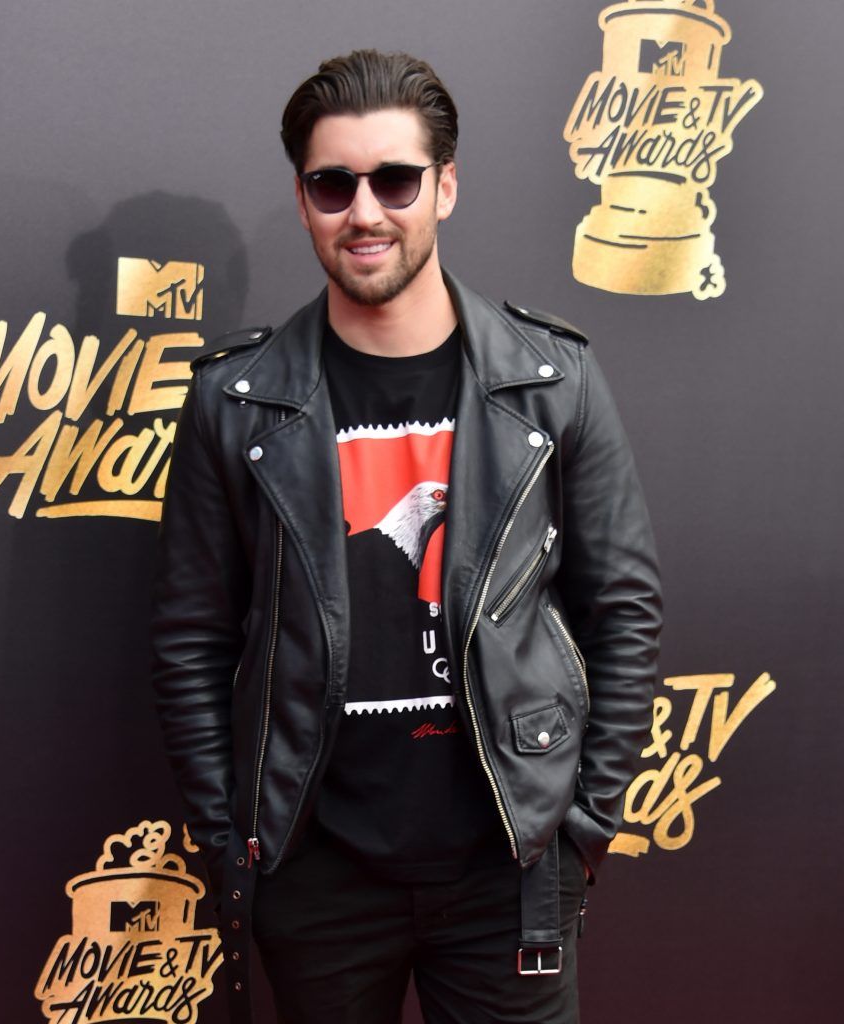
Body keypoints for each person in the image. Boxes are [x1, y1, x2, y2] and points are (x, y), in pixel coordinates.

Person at [152, 49, 662, 1024]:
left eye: (394, 179)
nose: (365, 210)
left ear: (445, 187)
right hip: (315, 871)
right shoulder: (234, 400)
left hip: (505, 865)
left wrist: (581, 823)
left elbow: (622, 607)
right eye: (332, 184)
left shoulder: (550, 381)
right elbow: (192, 635)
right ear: (303, 200)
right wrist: (231, 834)